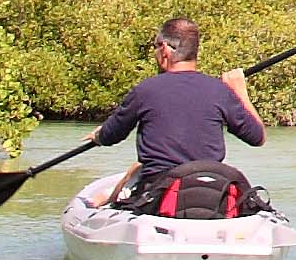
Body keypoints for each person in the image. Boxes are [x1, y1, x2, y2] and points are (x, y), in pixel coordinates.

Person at [71, 18, 267, 212]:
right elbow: (258, 137)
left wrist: (99, 136)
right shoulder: (220, 91)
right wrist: (240, 92)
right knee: (136, 170)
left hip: (158, 194)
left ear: (164, 48)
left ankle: (113, 196)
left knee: (137, 171)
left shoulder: (145, 90)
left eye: (155, 47)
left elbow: (112, 135)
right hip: (212, 192)